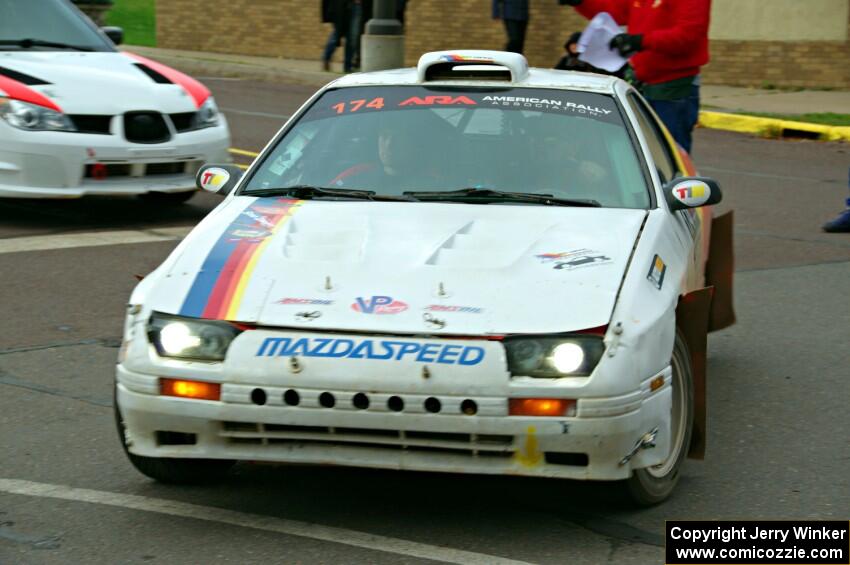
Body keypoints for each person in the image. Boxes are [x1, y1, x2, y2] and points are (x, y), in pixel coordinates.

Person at [561, 0, 710, 153]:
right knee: (639, 155)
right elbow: (615, 12)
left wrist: (640, 41)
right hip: (642, 84)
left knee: (669, 155)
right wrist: (582, 2)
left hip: (674, 89)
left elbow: (689, 35)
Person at [554, 31, 625, 77]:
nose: (574, 47)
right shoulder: (566, 60)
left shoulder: (591, 59)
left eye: (577, 44)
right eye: (572, 44)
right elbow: (555, 74)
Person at [321, 0, 355, 73]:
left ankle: (348, 66)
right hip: (338, 10)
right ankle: (326, 57)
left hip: (352, 8)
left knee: (351, 39)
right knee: (336, 36)